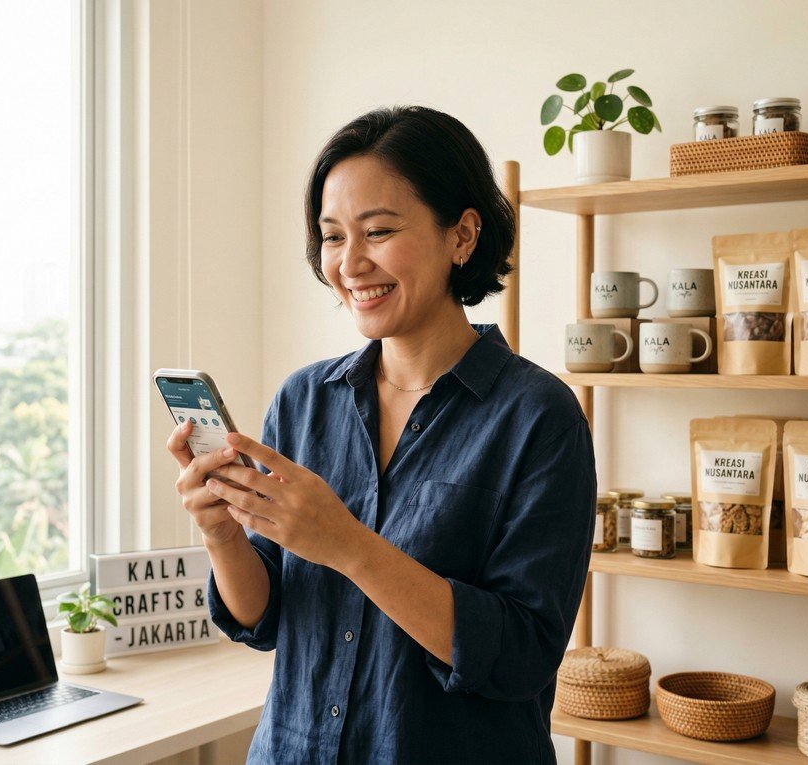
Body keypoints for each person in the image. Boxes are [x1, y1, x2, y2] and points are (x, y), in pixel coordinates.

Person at [168, 105, 596, 764]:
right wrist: (223, 533)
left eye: (379, 230)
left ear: (463, 235)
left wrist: (348, 544)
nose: (350, 263)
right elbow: (266, 616)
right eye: (333, 236)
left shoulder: (539, 415)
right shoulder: (304, 399)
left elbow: (521, 655)